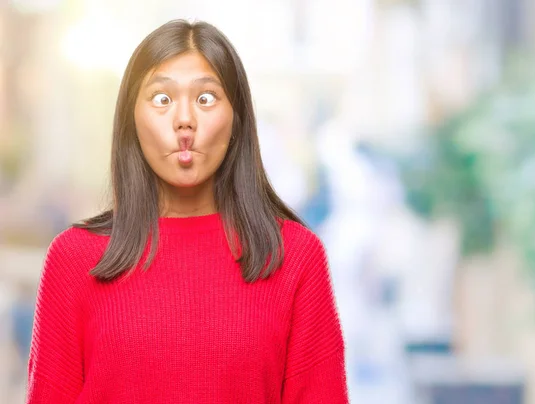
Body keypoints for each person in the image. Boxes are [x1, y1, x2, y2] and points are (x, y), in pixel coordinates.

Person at [26, 19, 348, 403]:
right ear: (132, 118)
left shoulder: (295, 258)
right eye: (162, 99)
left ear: (237, 119)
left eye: (205, 98)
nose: (184, 120)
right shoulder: (74, 259)